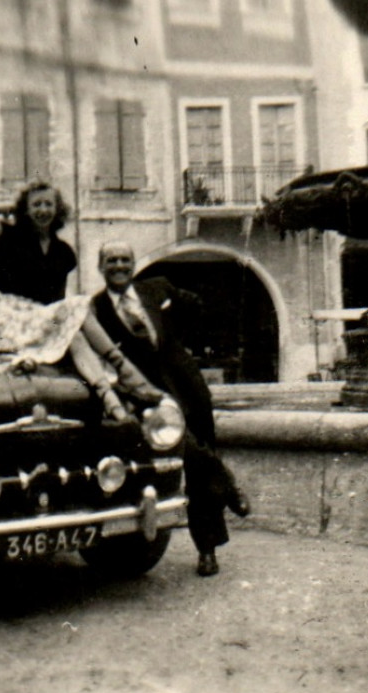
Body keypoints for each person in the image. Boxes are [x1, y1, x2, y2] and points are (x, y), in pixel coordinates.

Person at [89, 241, 250, 577]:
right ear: (100, 267)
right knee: (191, 453)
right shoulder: (96, 309)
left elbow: (199, 307)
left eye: (125, 259)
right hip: (148, 395)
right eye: (111, 260)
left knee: (199, 468)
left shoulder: (157, 288)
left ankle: (207, 551)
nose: (119, 265)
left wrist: (179, 347)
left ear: (133, 264)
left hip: (188, 387)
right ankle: (228, 481)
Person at [0, 183, 166, 422]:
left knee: (74, 333)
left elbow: (58, 298)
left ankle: (112, 401)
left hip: (47, 322)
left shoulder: (63, 251)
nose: (43, 210)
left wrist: (68, 321)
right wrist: (10, 207)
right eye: (36, 204)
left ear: (57, 210)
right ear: (26, 210)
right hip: (15, 323)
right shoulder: (11, 236)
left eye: (48, 204)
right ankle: (130, 377)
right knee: (77, 308)